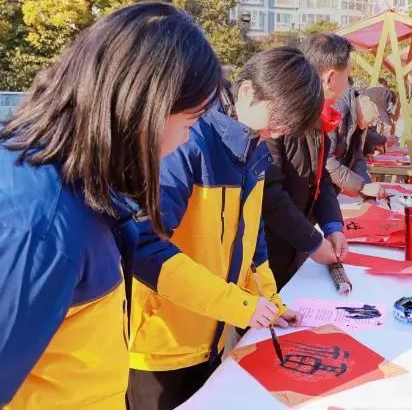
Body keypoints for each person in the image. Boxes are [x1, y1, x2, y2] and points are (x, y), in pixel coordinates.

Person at [0, 3, 221, 409]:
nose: (186, 140)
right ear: (144, 109)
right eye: (189, 123)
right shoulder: (33, 228)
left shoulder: (64, 175)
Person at [126, 47, 322, 409]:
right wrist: (238, 305)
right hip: (160, 342)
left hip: (211, 335)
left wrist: (271, 303)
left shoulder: (254, 149)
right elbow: (144, 246)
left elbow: (251, 243)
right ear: (247, 92)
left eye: (285, 129)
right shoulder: (187, 140)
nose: (276, 133)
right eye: (277, 122)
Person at [263, 33, 351, 289]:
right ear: (330, 77)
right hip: (268, 252)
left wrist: (333, 226)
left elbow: (320, 177)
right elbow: (268, 190)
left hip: (295, 247)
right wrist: (311, 240)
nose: (347, 84)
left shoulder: (319, 118)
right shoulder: (277, 116)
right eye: (347, 76)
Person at [327, 86, 393, 196]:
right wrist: (362, 186)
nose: (373, 124)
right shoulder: (338, 109)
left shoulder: (357, 122)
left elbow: (357, 157)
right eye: (375, 117)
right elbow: (327, 161)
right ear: (366, 101)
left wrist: (368, 191)